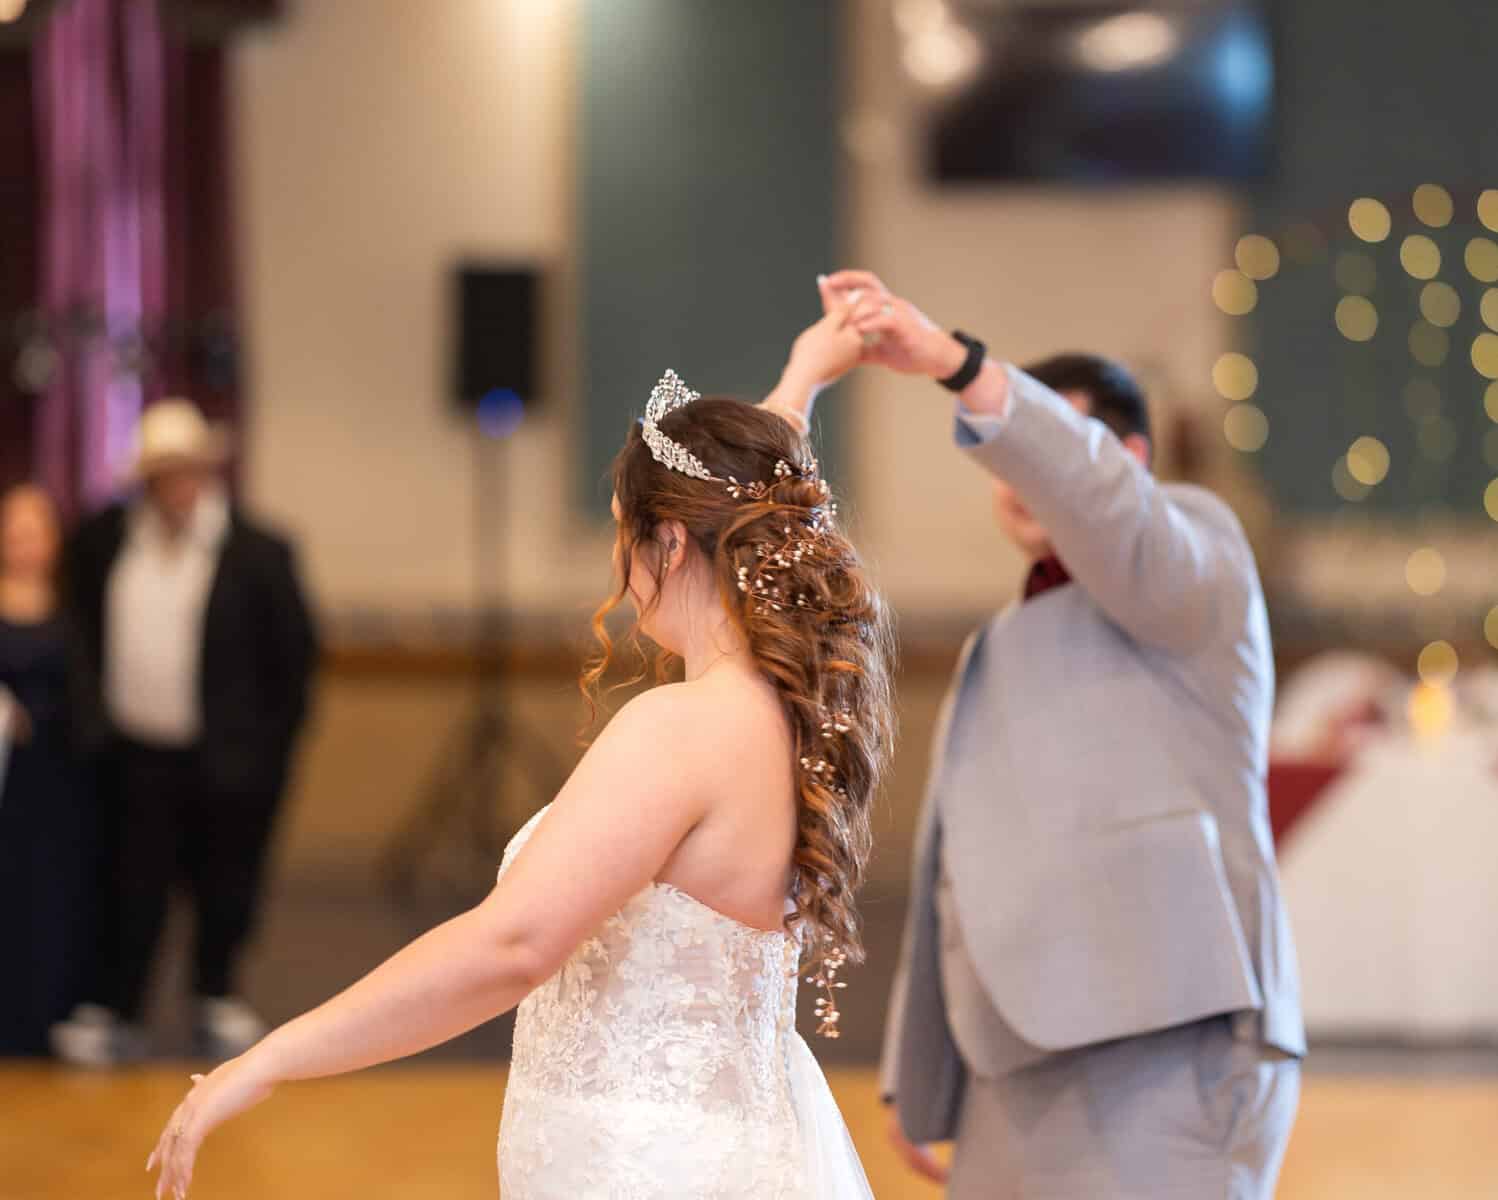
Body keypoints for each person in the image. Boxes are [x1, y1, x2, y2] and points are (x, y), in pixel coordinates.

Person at [146, 302, 895, 1199]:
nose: (618, 564)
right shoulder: (789, 712)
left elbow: (510, 946)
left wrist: (270, 1058)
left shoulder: (678, 729)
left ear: (666, 540)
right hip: (732, 1141)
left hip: (647, 1170)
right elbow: (757, 488)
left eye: (626, 530)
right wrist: (804, 374)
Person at [826, 270, 1304, 1198]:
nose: (1018, 474)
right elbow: (955, 873)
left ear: (1127, 455)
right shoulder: (996, 644)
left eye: (1047, 445)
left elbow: (1112, 514)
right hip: (1015, 1066)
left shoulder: (1197, 556)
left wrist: (962, 368)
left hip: (1173, 1043)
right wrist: (921, 1080)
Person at [50, 400, 318, 1067]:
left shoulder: (259, 551)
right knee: (129, 886)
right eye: (164, 472)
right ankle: (120, 1008)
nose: (178, 485)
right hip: (133, 757)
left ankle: (215, 996)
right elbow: (76, 637)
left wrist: (267, 753)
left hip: (227, 760)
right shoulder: (102, 542)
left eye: (188, 470)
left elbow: (295, 661)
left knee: (227, 884)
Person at [0, 484, 94, 1055]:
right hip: (2, 781)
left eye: (32, 532)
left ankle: (42, 1014)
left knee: (49, 893)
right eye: (11, 532)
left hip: (55, 781)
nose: (21, 544)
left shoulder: (74, 607)